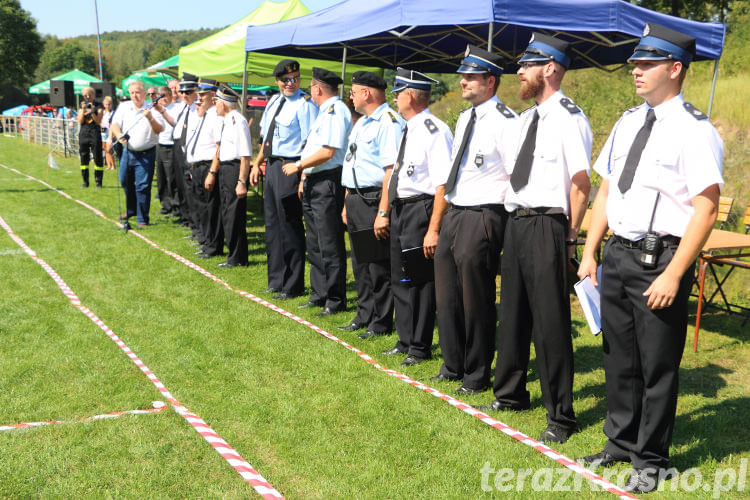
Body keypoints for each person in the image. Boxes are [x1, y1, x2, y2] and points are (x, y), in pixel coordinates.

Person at [576, 24, 723, 493]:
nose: (636, 70)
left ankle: (651, 461)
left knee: (657, 367)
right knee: (619, 359)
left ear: (675, 69)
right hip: (618, 255)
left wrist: (675, 274)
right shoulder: (627, 121)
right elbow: (606, 189)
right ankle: (619, 443)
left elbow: (707, 207)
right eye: (635, 63)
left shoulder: (695, 130)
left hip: (658, 262)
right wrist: (590, 251)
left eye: (647, 63)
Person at [484, 33, 592, 445]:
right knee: (511, 313)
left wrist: (569, 239)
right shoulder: (526, 119)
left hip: (549, 224)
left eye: (527, 64)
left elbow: (581, 183)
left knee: (550, 324)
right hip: (517, 222)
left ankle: (561, 416)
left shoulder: (569, 117)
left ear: (549, 67)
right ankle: (510, 394)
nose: (519, 71)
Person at [432, 45, 517, 393]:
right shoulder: (467, 116)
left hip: (483, 213)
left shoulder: (505, 121)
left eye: (471, 76)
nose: (463, 81)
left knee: (476, 297)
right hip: (456, 209)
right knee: (447, 292)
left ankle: (477, 372)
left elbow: (516, 175)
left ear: (490, 81)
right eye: (462, 75)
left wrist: (499, 223)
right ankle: (453, 362)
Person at [383, 67, 453, 366]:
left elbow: (442, 184)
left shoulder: (434, 130)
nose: (395, 98)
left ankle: (420, 346)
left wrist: (433, 228)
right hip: (401, 208)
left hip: (420, 208)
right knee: (401, 277)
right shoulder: (408, 127)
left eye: (397, 93)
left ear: (410, 95)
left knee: (420, 281)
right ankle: (405, 338)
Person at [338, 71, 404, 338]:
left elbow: (391, 171)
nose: (350, 98)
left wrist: (382, 212)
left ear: (366, 93)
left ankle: (381, 321)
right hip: (355, 198)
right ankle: (364, 314)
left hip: (374, 199)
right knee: (361, 264)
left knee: (378, 266)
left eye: (353, 92)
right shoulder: (363, 123)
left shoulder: (388, 122)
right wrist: (346, 202)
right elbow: (352, 164)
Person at [282, 67, 351, 315]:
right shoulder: (324, 112)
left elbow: (327, 152)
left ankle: (335, 299)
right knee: (315, 241)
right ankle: (320, 292)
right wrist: (304, 177)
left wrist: (299, 166)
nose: (309, 90)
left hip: (328, 180)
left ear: (317, 88)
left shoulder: (334, 111)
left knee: (329, 242)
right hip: (314, 179)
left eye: (311, 86)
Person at [250, 59, 318, 299]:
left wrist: (302, 176)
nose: (291, 83)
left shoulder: (305, 104)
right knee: (272, 225)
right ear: (277, 81)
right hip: (272, 164)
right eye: (286, 80)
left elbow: (311, 143)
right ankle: (276, 279)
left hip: (291, 166)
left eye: (296, 78)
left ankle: (293, 284)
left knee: (290, 226)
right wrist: (257, 164)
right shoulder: (274, 100)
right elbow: (265, 138)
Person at [109, 81, 165, 228]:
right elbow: (114, 124)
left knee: (143, 186)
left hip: (146, 154)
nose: (135, 95)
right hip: (128, 151)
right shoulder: (124, 107)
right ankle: (131, 210)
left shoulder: (152, 108)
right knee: (124, 181)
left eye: (138, 92)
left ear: (144, 93)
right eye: (132, 93)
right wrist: (119, 134)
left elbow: (159, 129)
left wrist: (150, 118)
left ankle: (142, 219)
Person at [211, 84, 252, 268]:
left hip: (235, 169)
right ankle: (234, 255)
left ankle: (238, 257)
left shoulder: (238, 121)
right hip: (226, 169)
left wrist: (242, 181)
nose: (215, 105)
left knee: (234, 215)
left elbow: (245, 155)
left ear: (225, 103)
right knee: (228, 213)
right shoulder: (227, 120)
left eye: (217, 101)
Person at [186, 79, 224, 259]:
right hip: (198, 166)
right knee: (201, 207)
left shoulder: (215, 116)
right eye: (199, 94)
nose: (199, 98)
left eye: (203, 94)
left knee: (211, 208)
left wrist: (212, 172)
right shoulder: (204, 114)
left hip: (208, 165)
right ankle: (206, 241)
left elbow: (218, 146)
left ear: (213, 95)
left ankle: (213, 245)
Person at [154, 86, 177, 216]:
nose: (163, 99)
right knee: (161, 177)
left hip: (171, 145)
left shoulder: (175, 108)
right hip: (160, 144)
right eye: (160, 96)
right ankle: (165, 205)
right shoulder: (156, 110)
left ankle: (175, 206)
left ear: (170, 95)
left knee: (171, 178)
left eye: (164, 95)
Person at [77, 86, 104, 188]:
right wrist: (83, 110)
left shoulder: (99, 105)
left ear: (93, 94)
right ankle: (85, 182)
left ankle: (98, 182)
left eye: (89, 95)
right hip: (84, 133)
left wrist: (92, 111)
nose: (88, 97)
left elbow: (98, 121)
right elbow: (80, 121)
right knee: (84, 157)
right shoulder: (82, 106)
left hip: (94, 132)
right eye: (85, 95)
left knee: (97, 157)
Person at [101, 96, 116, 171]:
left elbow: (114, 124)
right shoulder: (102, 112)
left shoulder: (113, 113)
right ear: (104, 104)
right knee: (105, 149)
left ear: (111, 104)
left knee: (109, 149)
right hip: (103, 132)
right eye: (106, 104)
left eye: (109, 104)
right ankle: (108, 165)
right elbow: (100, 121)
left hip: (109, 132)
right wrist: (102, 124)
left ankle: (113, 165)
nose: (107, 106)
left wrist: (113, 133)